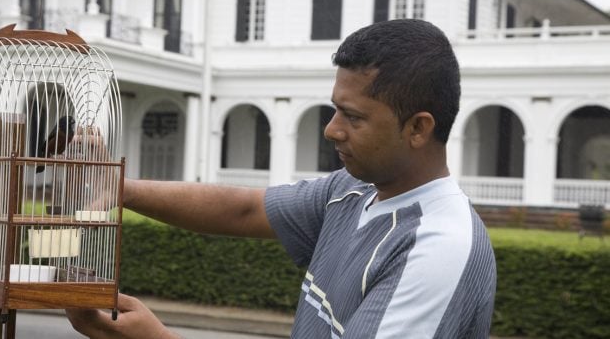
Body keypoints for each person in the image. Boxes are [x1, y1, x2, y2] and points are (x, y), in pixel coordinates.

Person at [66, 19, 497, 339]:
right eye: (335, 109)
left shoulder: (438, 247)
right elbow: (244, 208)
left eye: (354, 116)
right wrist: (118, 188)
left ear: (418, 128)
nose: (331, 129)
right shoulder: (353, 189)